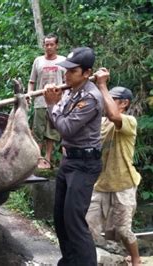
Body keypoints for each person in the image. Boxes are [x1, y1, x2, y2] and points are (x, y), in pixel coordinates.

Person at [44, 47, 103, 265]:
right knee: (60, 218)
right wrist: (55, 103)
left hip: (85, 164)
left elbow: (66, 128)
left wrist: (51, 104)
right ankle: (69, 261)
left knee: (74, 221)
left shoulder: (90, 98)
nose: (66, 75)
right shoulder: (70, 92)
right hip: (69, 161)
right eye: (65, 70)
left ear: (87, 73)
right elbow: (55, 121)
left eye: (72, 71)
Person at [86, 68, 142, 266]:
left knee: (123, 230)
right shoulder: (100, 123)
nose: (104, 101)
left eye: (111, 98)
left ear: (124, 103)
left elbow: (113, 116)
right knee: (87, 225)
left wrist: (102, 85)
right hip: (100, 184)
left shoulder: (128, 121)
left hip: (123, 183)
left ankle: (136, 259)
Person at [28, 33, 66, 169]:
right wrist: (29, 94)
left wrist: (65, 99)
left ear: (57, 46)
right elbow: (32, 81)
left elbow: (67, 82)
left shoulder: (63, 61)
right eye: (46, 44)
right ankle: (37, 158)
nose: (49, 47)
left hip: (57, 103)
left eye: (52, 44)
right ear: (43, 46)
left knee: (52, 132)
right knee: (38, 130)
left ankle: (47, 158)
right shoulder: (38, 61)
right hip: (40, 102)